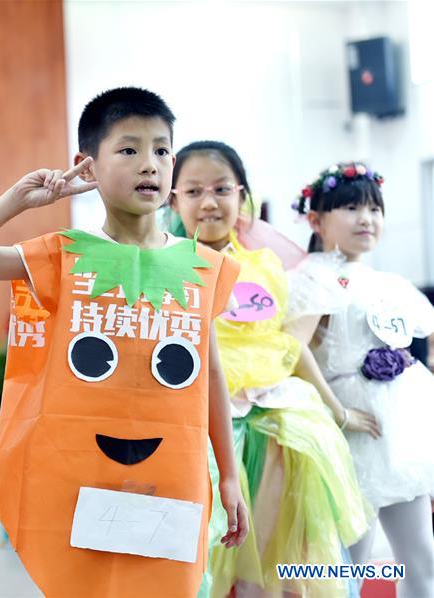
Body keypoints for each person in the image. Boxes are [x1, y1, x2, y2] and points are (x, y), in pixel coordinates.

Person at [0, 87, 247, 597]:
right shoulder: (63, 254)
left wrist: (229, 476)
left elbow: (208, 373)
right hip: (78, 475)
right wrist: (19, 200)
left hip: (174, 472)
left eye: (162, 150)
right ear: (88, 166)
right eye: (128, 150)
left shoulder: (204, 267)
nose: (149, 164)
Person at [169, 141, 372, 597]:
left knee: (283, 558)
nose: (208, 202)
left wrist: (336, 409)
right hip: (201, 424)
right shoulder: (168, 266)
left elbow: (290, 345)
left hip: (278, 414)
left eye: (221, 189)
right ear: (173, 198)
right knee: (207, 559)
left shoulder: (267, 267)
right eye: (194, 190)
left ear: (242, 196)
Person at [287, 161, 434, 597]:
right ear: (316, 219)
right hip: (345, 433)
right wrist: (339, 413)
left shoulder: (387, 280)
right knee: (346, 562)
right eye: (351, 207)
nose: (366, 219)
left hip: (398, 432)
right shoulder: (310, 276)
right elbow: (292, 347)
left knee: (420, 555)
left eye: (375, 209)